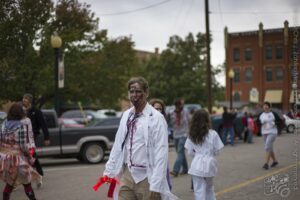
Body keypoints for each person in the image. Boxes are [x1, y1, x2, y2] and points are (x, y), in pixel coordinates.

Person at [103, 77, 177, 200]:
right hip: (128, 175)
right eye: (131, 91)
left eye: (138, 91)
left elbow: (161, 152)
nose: (134, 95)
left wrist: (156, 185)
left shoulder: (156, 118)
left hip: (147, 177)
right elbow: (118, 144)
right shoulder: (127, 115)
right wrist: (109, 171)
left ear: (146, 93)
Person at [0, 103, 41, 200]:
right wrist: (29, 155)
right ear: (20, 113)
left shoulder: (3, 125)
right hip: (18, 159)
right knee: (27, 182)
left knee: (10, 183)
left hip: (5, 159)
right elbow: (23, 146)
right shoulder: (21, 126)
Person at [185, 109, 224, 200]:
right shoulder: (213, 134)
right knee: (209, 188)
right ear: (207, 120)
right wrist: (209, 154)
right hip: (209, 164)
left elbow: (190, 151)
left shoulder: (191, 135)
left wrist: (198, 155)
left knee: (198, 190)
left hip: (196, 164)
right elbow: (217, 151)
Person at [22, 93, 50, 187]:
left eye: (25, 99)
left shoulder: (36, 111)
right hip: (23, 136)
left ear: (29, 100)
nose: (23, 100)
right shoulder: (21, 111)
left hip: (33, 136)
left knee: (31, 154)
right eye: (23, 99)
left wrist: (47, 137)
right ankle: (36, 174)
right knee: (29, 155)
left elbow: (43, 124)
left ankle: (39, 174)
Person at [149, 98, 172, 190]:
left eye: (160, 109)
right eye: (155, 108)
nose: (158, 111)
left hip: (161, 157)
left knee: (165, 183)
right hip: (149, 158)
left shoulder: (163, 122)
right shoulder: (145, 123)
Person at [168, 98, 189, 177]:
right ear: (176, 105)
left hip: (184, 134)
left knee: (180, 151)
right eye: (180, 104)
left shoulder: (185, 111)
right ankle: (185, 169)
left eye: (182, 104)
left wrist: (190, 133)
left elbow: (189, 121)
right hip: (175, 135)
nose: (181, 106)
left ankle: (175, 170)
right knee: (180, 152)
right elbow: (170, 123)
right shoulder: (172, 113)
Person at [258, 102, 279, 170]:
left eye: (267, 106)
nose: (265, 107)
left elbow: (280, 121)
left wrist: (275, 123)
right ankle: (275, 161)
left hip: (272, 132)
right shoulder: (261, 114)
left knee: (267, 146)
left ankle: (266, 164)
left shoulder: (273, 114)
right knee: (270, 148)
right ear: (263, 108)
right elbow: (258, 122)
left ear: (269, 107)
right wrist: (261, 123)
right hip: (264, 132)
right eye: (264, 106)